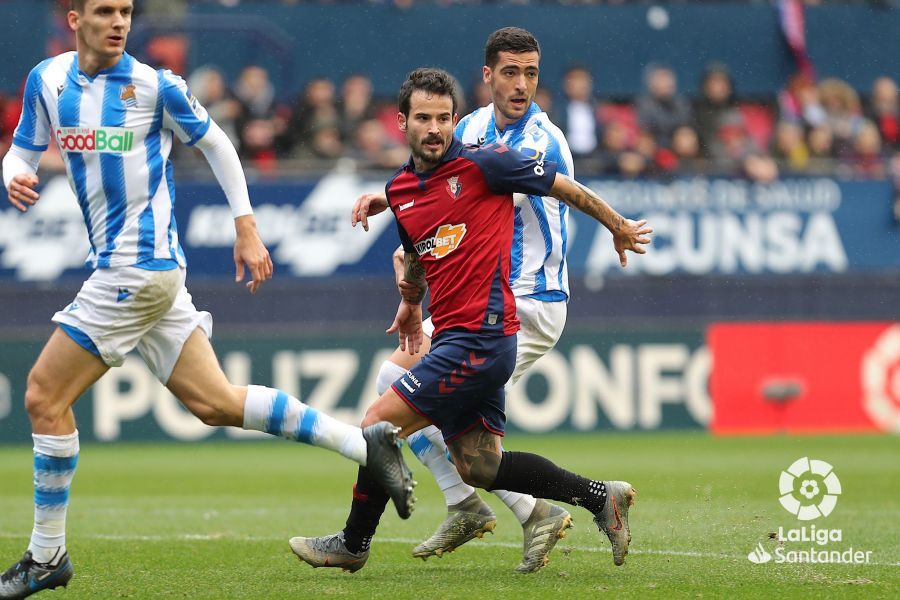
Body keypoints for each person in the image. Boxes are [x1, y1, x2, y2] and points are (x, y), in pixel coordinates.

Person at [0, 2, 413, 598]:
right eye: (104, 10)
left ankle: (46, 556)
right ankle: (363, 444)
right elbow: (21, 147)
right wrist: (12, 172)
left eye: (125, 10)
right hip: (149, 277)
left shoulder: (153, 85)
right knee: (214, 402)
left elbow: (219, 145)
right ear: (74, 17)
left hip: (136, 269)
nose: (119, 21)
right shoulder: (48, 80)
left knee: (42, 395)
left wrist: (245, 227)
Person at [290, 67, 650, 575]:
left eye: (443, 118)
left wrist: (616, 225)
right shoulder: (401, 191)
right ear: (402, 123)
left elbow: (561, 185)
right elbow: (416, 254)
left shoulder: (488, 166)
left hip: (482, 338)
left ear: (456, 121)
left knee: (376, 425)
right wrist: (411, 304)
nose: (434, 128)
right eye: (423, 118)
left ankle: (353, 543)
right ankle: (599, 498)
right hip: (456, 341)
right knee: (480, 465)